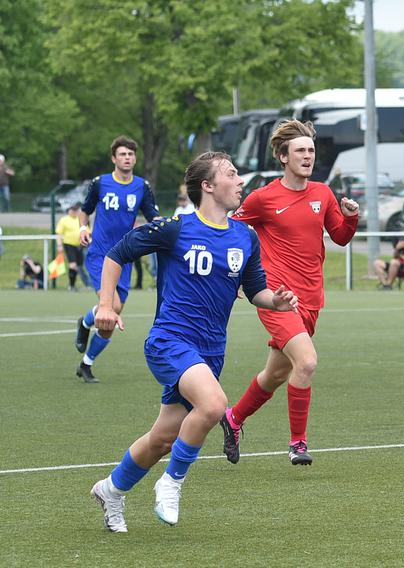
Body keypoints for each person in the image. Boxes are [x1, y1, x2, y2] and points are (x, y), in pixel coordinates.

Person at [89, 152, 298, 533]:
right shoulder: (174, 228)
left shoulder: (245, 236)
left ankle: (111, 490)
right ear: (207, 186)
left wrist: (276, 300)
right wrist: (106, 303)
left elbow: (255, 291)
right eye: (231, 174)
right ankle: (172, 482)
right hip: (169, 341)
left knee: (163, 438)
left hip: (210, 352)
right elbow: (116, 254)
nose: (239, 181)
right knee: (216, 404)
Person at [222, 119, 359, 466]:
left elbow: (340, 236)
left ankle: (232, 419)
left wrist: (351, 217)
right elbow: (230, 231)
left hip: (312, 300)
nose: (308, 156)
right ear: (283, 157)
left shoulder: (323, 193)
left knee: (276, 374)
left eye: (311, 150)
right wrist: (239, 275)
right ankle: (298, 443)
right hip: (277, 297)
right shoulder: (264, 198)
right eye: (300, 150)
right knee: (308, 362)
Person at [74, 136, 159, 383]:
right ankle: (87, 325)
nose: (127, 158)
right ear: (114, 158)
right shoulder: (100, 183)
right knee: (110, 308)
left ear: (135, 158)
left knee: (112, 313)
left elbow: (152, 215)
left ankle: (86, 359)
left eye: (131, 154)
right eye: (122, 154)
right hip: (100, 254)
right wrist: (82, 229)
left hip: (125, 256)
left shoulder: (142, 186)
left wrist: (166, 229)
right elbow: (85, 210)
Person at [55, 203, 87, 290]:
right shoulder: (64, 220)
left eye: (76, 210)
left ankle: (78, 284)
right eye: (73, 210)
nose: (74, 211)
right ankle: (71, 285)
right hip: (69, 245)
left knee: (79, 266)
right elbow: (58, 233)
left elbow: (87, 231)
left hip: (80, 246)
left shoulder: (80, 219)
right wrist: (59, 245)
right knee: (72, 265)